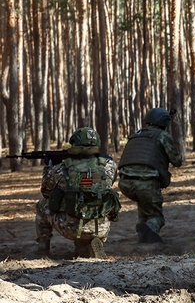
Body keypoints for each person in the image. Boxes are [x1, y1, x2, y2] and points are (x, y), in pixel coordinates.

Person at [35, 127, 120, 258]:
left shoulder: (61, 169)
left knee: (42, 205)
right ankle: (88, 245)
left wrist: (49, 168)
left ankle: (42, 250)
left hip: (71, 228)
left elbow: (46, 192)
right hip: (100, 227)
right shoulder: (109, 166)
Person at [117, 107, 184, 244]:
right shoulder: (162, 135)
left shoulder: (136, 134)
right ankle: (150, 233)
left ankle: (143, 233)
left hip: (125, 183)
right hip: (146, 183)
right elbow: (177, 161)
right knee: (156, 217)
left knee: (144, 209)